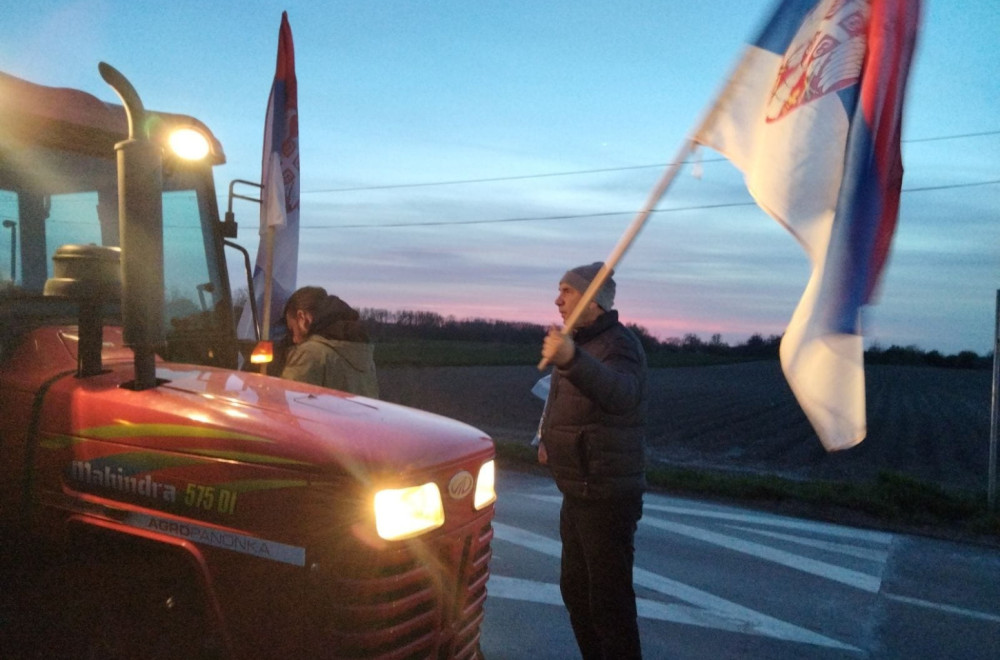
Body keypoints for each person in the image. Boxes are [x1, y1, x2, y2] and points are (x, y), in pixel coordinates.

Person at [537, 262, 648, 660]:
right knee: (576, 592)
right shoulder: (578, 342)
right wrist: (546, 436)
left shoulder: (620, 344)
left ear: (593, 299)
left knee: (608, 603)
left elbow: (622, 394)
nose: (558, 300)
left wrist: (571, 359)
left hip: (607, 494)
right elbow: (559, 399)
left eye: (567, 291)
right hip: (578, 488)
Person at [280, 286, 379, 398]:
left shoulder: (310, 353)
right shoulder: (361, 350)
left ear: (302, 317)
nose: (294, 339)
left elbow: (291, 401)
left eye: (292, 330)